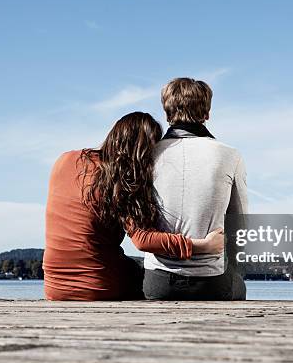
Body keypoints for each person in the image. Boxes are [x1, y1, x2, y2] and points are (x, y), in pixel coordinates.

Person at [43, 112, 224, 301]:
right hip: (97, 285)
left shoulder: (64, 160)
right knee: (149, 276)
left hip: (53, 286)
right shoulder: (120, 181)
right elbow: (143, 239)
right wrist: (204, 246)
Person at [143, 78, 248, 300]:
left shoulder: (147, 156)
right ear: (207, 114)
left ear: (167, 113)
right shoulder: (229, 155)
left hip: (158, 283)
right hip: (212, 284)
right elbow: (239, 223)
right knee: (237, 284)